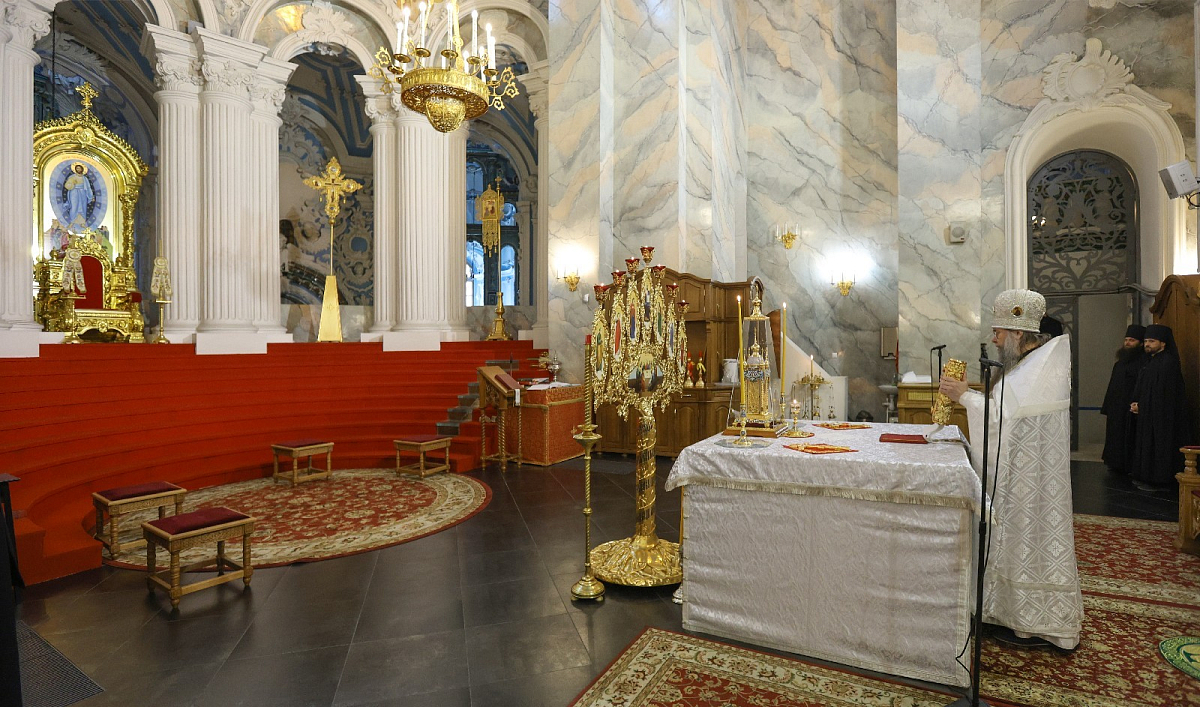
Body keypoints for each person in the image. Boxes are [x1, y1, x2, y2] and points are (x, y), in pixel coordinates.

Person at [939, 288, 1083, 650]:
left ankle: (1031, 622)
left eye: (998, 332)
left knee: (1023, 543)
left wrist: (963, 396)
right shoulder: (1036, 364)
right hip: (1025, 477)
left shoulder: (1035, 370)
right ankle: (1010, 614)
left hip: (1026, 484)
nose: (994, 339)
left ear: (1018, 333)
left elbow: (1000, 422)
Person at [1129, 324, 1189, 490]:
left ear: (1163, 343)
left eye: (1152, 341)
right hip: (1148, 415)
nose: (1147, 344)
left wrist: (1143, 407)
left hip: (1162, 417)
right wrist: (1137, 403)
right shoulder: (1151, 361)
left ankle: (1160, 480)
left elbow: (1164, 396)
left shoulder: (1168, 363)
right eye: (1146, 341)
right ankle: (1145, 476)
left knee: (1160, 447)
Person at [1101, 325, 1147, 475]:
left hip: (1130, 408)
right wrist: (1107, 406)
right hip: (1116, 408)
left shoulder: (1143, 364)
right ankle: (1114, 463)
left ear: (1140, 343)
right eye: (1126, 340)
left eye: (1132, 340)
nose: (1127, 343)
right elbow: (1112, 386)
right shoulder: (1119, 364)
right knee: (1114, 436)